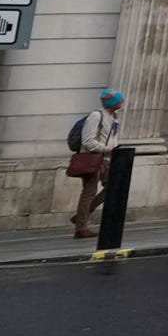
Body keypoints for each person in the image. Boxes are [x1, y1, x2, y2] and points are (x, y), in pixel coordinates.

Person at [68, 90, 123, 238]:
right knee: (89, 192)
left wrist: (115, 148)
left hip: (107, 159)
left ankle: (81, 216)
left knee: (112, 188)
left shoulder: (115, 117)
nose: (122, 102)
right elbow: (87, 140)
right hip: (92, 158)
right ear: (113, 103)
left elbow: (112, 137)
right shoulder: (96, 116)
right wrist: (106, 149)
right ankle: (81, 228)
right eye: (120, 100)